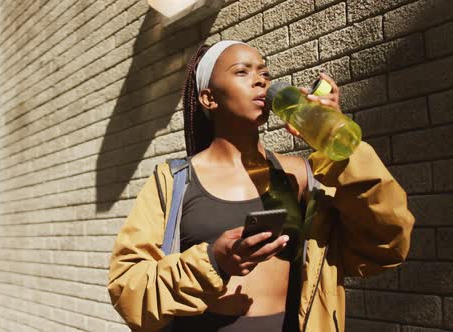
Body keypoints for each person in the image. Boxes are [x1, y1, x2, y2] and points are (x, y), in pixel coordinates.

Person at [107, 40, 414, 332]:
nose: (260, 81)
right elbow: (128, 290)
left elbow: (387, 245)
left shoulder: (303, 175)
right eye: (242, 72)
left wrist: (338, 145)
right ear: (209, 98)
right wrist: (213, 261)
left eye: (264, 73)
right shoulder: (175, 181)